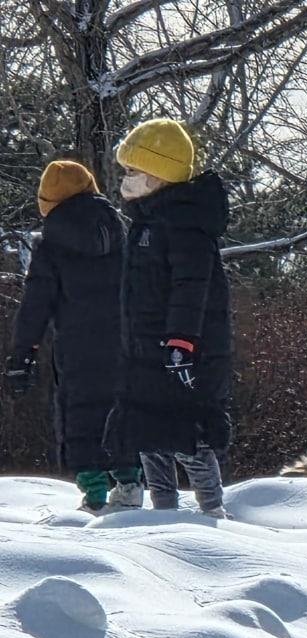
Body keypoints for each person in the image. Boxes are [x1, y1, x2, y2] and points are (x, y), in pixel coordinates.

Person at [104, 118, 233, 517]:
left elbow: (191, 288)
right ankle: (162, 515)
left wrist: (181, 340)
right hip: (144, 348)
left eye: (133, 172)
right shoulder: (146, 222)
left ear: (158, 175)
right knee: (148, 434)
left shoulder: (185, 226)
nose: (126, 180)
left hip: (180, 350)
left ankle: (212, 510)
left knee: (184, 434)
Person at [5, 160, 142, 513]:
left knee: (80, 411)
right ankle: (129, 481)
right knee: (120, 407)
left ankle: (94, 492)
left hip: (78, 347)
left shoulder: (51, 246)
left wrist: (23, 351)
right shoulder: (120, 230)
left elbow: (36, 302)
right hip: (124, 341)